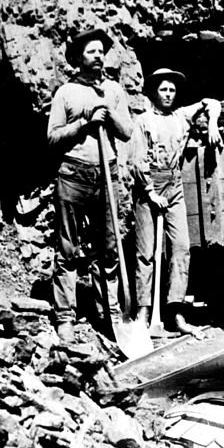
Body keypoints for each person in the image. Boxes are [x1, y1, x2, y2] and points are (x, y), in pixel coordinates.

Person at [47, 27, 132, 342]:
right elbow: (52, 137)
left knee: (108, 249)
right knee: (68, 249)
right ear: (78, 58)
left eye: (101, 51)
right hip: (72, 174)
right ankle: (65, 317)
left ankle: (108, 314)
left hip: (106, 175)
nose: (98, 56)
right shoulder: (66, 93)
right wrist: (84, 124)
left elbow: (127, 132)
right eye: (91, 52)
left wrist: (109, 118)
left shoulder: (114, 91)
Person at [128, 68, 222, 334]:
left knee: (181, 248)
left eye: (172, 90)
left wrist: (213, 122)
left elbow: (211, 103)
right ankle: (144, 313)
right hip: (149, 186)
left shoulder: (181, 117)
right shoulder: (143, 121)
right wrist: (150, 193)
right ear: (154, 93)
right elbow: (136, 160)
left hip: (174, 185)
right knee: (146, 253)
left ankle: (176, 311)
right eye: (163, 90)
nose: (168, 94)